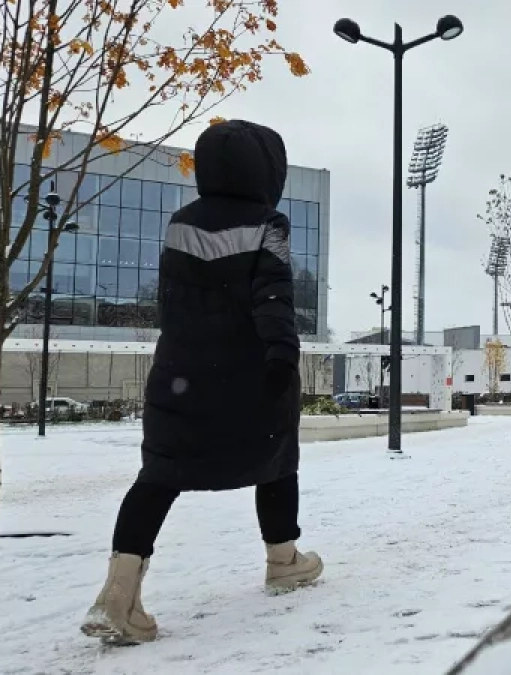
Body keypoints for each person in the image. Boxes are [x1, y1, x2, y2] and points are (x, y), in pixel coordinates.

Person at [80, 120, 322, 645]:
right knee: (278, 459)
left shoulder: (180, 223)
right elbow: (273, 295)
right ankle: (283, 560)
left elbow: (175, 301)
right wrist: (282, 355)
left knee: (159, 475)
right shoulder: (269, 223)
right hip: (248, 370)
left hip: (180, 374)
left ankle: (119, 592)